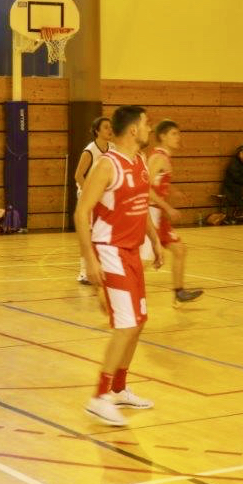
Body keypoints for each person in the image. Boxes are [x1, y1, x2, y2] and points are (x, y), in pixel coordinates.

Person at [76, 105, 164, 427]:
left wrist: (153, 239)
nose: (150, 128)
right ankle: (99, 398)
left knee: (138, 323)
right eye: (146, 123)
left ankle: (118, 389)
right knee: (125, 325)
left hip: (132, 251)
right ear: (133, 130)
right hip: (110, 251)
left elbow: (140, 206)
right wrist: (90, 260)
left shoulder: (139, 161)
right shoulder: (106, 165)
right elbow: (81, 213)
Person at [147, 119, 204, 306]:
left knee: (179, 250)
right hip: (150, 214)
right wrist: (167, 207)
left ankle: (179, 293)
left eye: (178, 133)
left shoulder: (164, 157)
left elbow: (159, 182)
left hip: (159, 215)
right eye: (174, 133)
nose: (178, 137)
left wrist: (174, 191)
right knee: (145, 260)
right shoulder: (158, 157)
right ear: (162, 136)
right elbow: (145, 188)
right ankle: (115, 289)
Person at [73, 116, 113, 284]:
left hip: (103, 198)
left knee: (102, 233)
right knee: (87, 234)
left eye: (111, 127)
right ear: (97, 131)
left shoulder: (112, 148)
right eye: (106, 127)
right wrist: (90, 193)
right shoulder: (90, 150)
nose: (110, 130)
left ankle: (101, 267)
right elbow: (78, 175)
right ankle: (83, 272)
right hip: (88, 197)